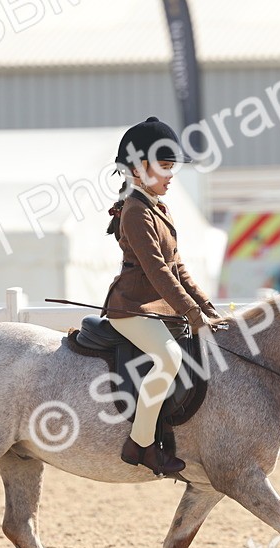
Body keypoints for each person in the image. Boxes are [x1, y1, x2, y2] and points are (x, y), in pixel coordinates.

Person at [102, 117, 217, 475]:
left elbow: (179, 268)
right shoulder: (136, 212)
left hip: (156, 309)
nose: (170, 176)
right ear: (137, 169)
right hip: (132, 308)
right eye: (165, 167)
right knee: (168, 359)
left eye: (171, 168)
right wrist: (193, 316)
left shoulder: (155, 208)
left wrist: (207, 308)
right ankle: (141, 442)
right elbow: (158, 272)